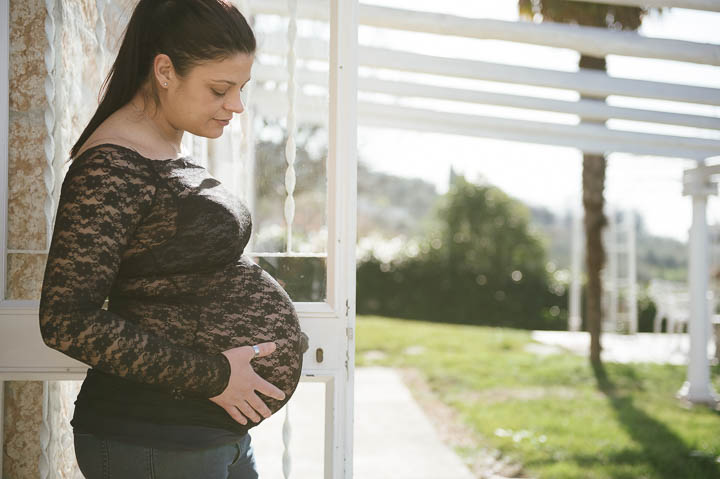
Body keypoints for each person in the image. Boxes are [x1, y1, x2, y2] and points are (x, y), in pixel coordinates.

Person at [38, 1, 309, 477]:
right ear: (165, 70)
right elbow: (66, 321)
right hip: (153, 436)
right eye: (219, 89)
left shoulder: (164, 147)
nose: (237, 105)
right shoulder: (110, 168)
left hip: (203, 432)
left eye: (241, 89)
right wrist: (214, 376)